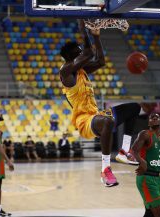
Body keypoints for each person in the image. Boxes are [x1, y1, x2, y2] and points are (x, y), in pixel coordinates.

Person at [60, 19, 142, 187]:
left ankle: (124, 150)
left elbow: (100, 61)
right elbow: (89, 54)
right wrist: (84, 30)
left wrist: (96, 36)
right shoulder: (65, 71)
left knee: (135, 108)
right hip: (84, 122)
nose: (82, 50)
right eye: (78, 50)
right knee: (108, 120)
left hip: (96, 115)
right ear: (70, 55)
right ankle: (105, 170)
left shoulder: (80, 70)